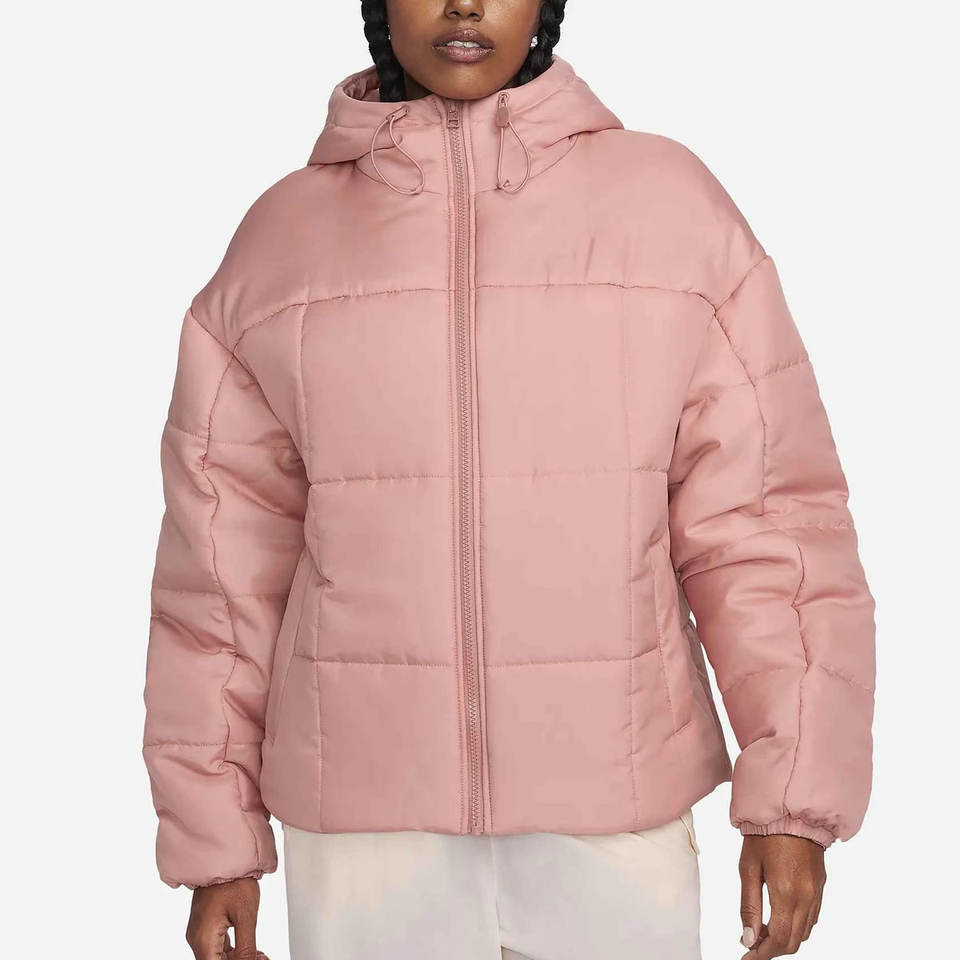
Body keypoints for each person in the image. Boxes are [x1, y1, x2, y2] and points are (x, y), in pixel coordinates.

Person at [142, 2, 877, 958]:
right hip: (365, 839)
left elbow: (768, 528)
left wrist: (794, 799)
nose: (464, 3)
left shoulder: (669, 212)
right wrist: (216, 842)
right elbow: (217, 577)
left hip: (613, 817)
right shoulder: (282, 244)